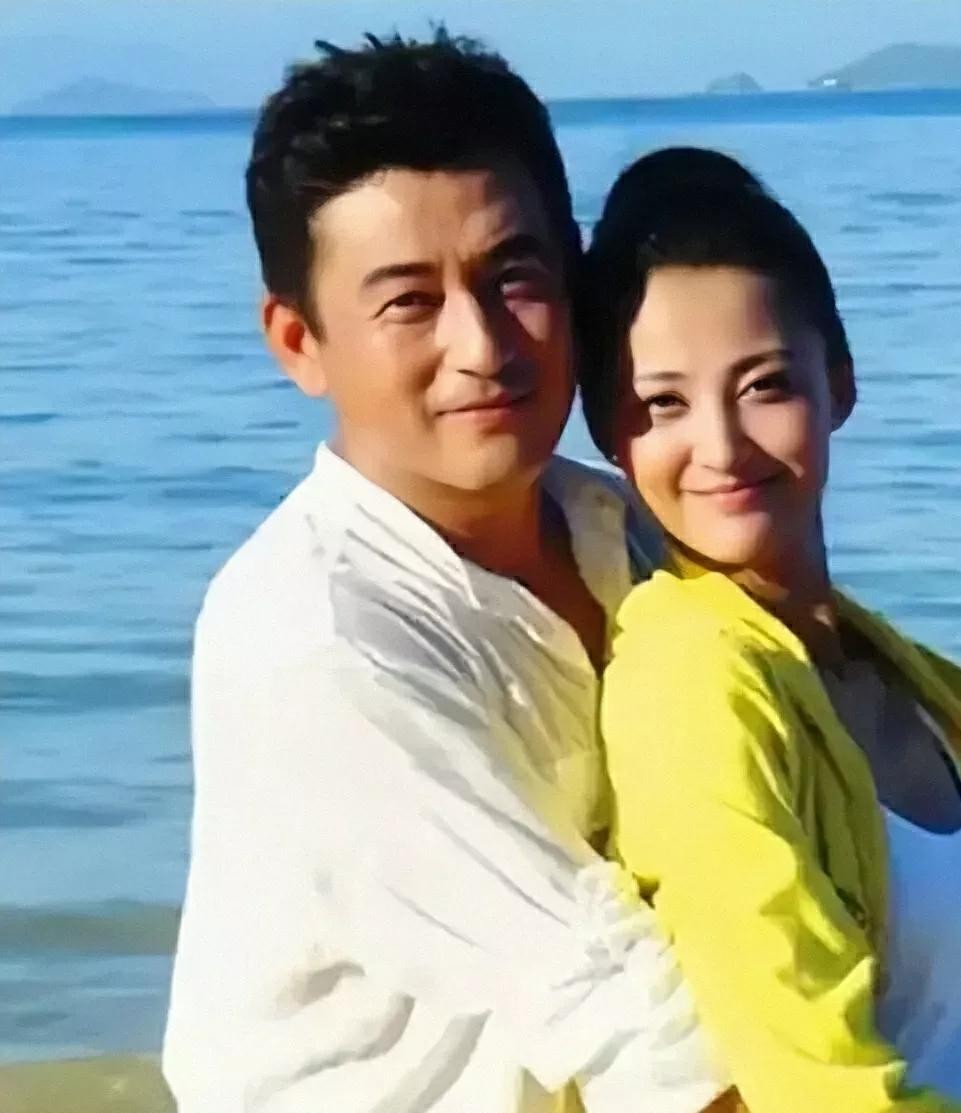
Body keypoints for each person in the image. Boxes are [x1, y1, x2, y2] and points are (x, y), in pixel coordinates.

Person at [162, 35, 737, 1113]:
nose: (481, 344)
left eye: (513, 277)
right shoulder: (316, 638)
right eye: (409, 303)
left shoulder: (632, 531)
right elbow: (638, 1026)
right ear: (298, 342)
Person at [578, 148, 961, 1113]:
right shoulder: (691, 683)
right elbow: (811, 1083)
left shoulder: (904, 681)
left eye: (764, 385)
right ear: (610, 431)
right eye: (663, 403)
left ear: (839, 383)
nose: (721, 446)